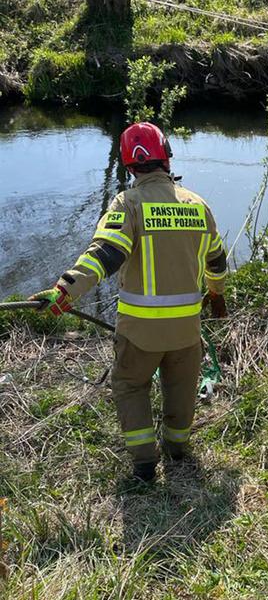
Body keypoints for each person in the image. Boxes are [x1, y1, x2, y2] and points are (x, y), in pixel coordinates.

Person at [31, 122, 228, 483]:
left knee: (131, 386)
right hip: (187, 330)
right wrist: (217, 296)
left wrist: (64, 290)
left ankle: (143, 465)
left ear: (128, 166)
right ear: (167, 156)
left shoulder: (129, 203)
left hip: (140, 332)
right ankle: (177, 451)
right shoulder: (199, 206)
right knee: (181, 389)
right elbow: (217, 261)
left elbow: (105, 254)